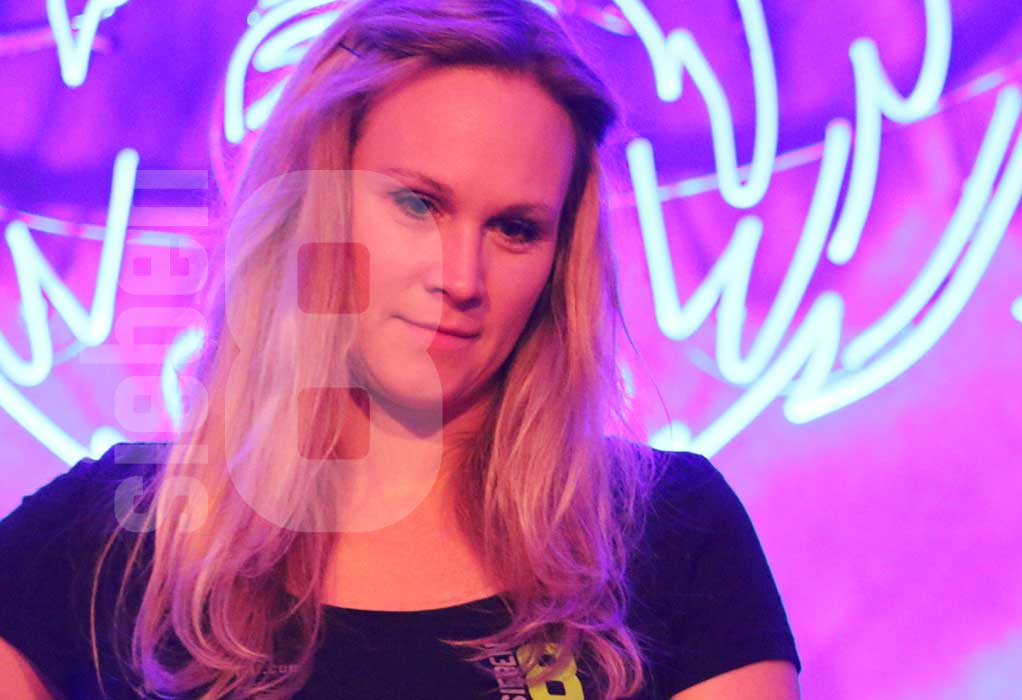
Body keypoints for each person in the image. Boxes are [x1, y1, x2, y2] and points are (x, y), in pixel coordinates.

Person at [0, 1, 800, 698]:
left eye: (515, 229)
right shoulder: (115, 540)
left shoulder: (667, 534)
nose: (461, 278)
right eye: (419, 204)